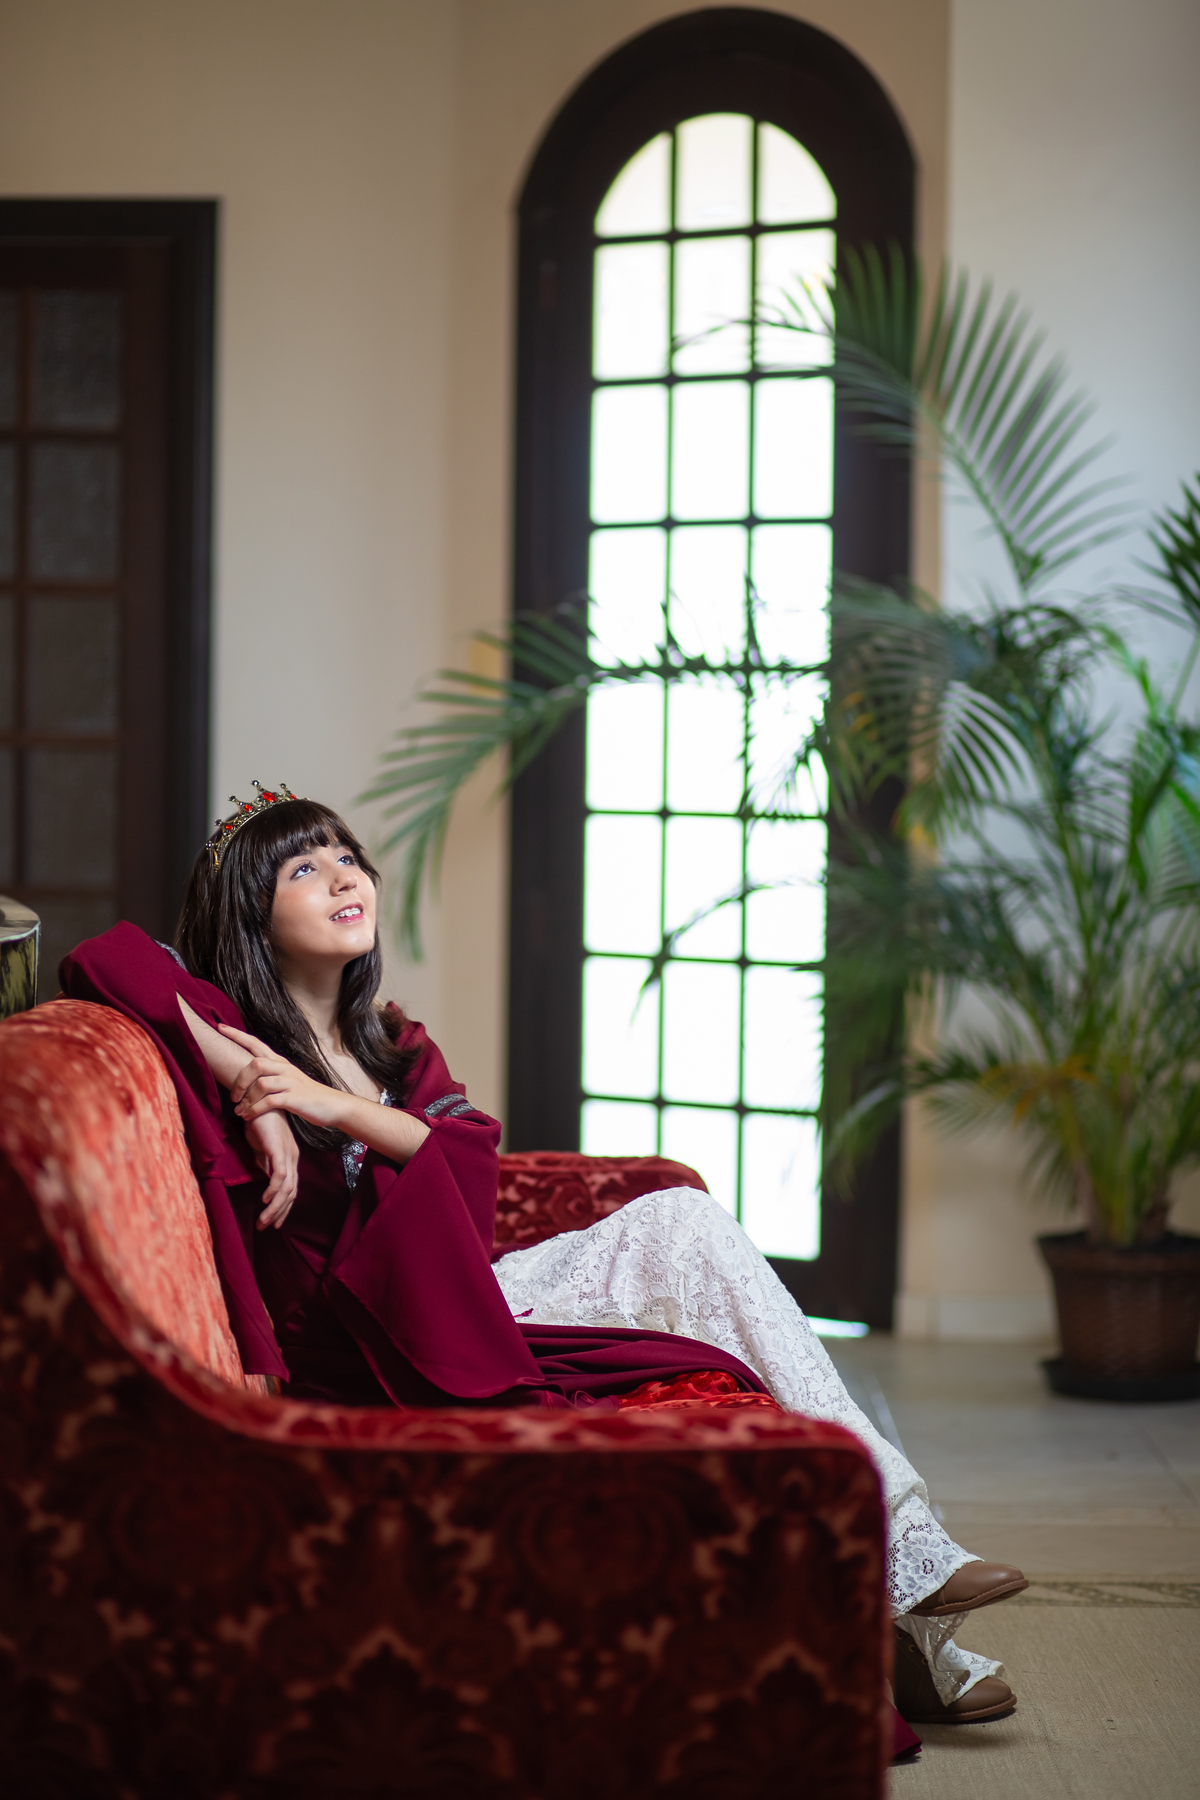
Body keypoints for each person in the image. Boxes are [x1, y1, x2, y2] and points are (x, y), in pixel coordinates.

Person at [61, 785, 1024, 1731]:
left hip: (454, 1301)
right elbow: (101, 956)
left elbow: (467, 1174)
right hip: (368, 1347)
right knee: (683, 1239)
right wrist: (255, 1080)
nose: (345, 878)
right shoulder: (229, 1027)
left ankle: (907, 1565)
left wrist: (335, 1106)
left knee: (680, 1223)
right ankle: (913, 1585)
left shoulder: (391, 1044)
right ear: (251, 915)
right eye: (304, 869)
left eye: (348, 856)